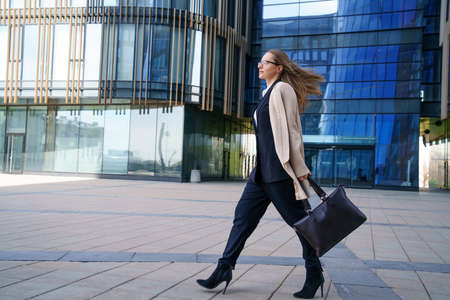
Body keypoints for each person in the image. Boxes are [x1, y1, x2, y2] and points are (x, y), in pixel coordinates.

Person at [196, 49, 325, 299]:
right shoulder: (267, 93)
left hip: (279, 173)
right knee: (242, 219)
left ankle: (314, 272)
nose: (259, 66)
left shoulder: (283, 90)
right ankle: (224, 268)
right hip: (261, 175)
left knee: (302, 225)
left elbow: (293, 131)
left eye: (265, 62)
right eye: (260, 62)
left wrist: (299, 170)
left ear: (278, 68)